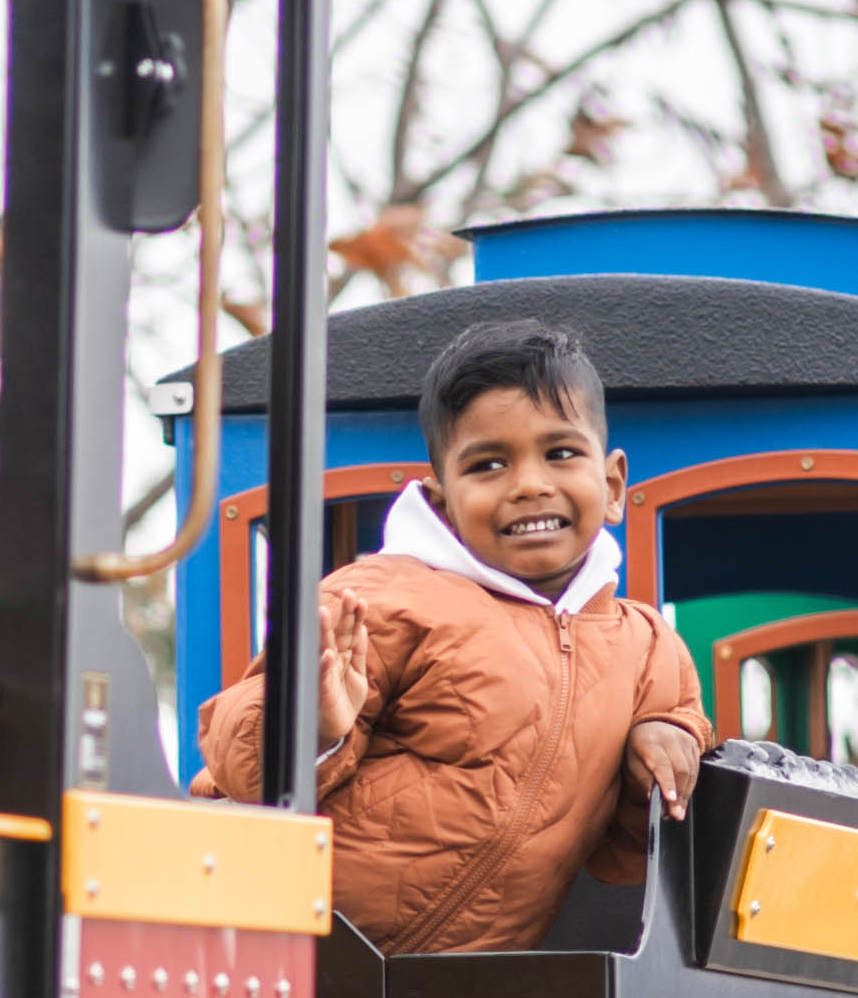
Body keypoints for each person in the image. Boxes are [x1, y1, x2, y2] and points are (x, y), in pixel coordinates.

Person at [200, 317, 708, 952]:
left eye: (560, 453)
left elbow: (625, 859)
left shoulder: (647, 648)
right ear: (442, 502)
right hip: (301, 948)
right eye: (489, 464)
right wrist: (311, 726)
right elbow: (240, 768)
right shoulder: (382, 598)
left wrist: (661, 749)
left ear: (611, 486)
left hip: (462, 981)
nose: (530, 484)